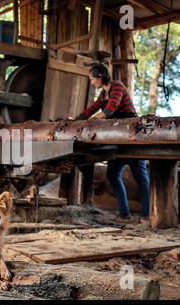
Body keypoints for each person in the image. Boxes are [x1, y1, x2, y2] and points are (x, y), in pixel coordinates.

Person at [73, 63, 150, 223]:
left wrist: (90, 121)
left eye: (93, 79)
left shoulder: (117, 87)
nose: (92, 83)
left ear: (100, 77)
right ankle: (124, 214)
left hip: (134, 138)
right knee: (112, 174)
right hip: (120, 140)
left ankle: (147, 216)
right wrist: (76, 119)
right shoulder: (103, 94)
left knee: (141, 179)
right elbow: (91, 109)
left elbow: (110, 110)